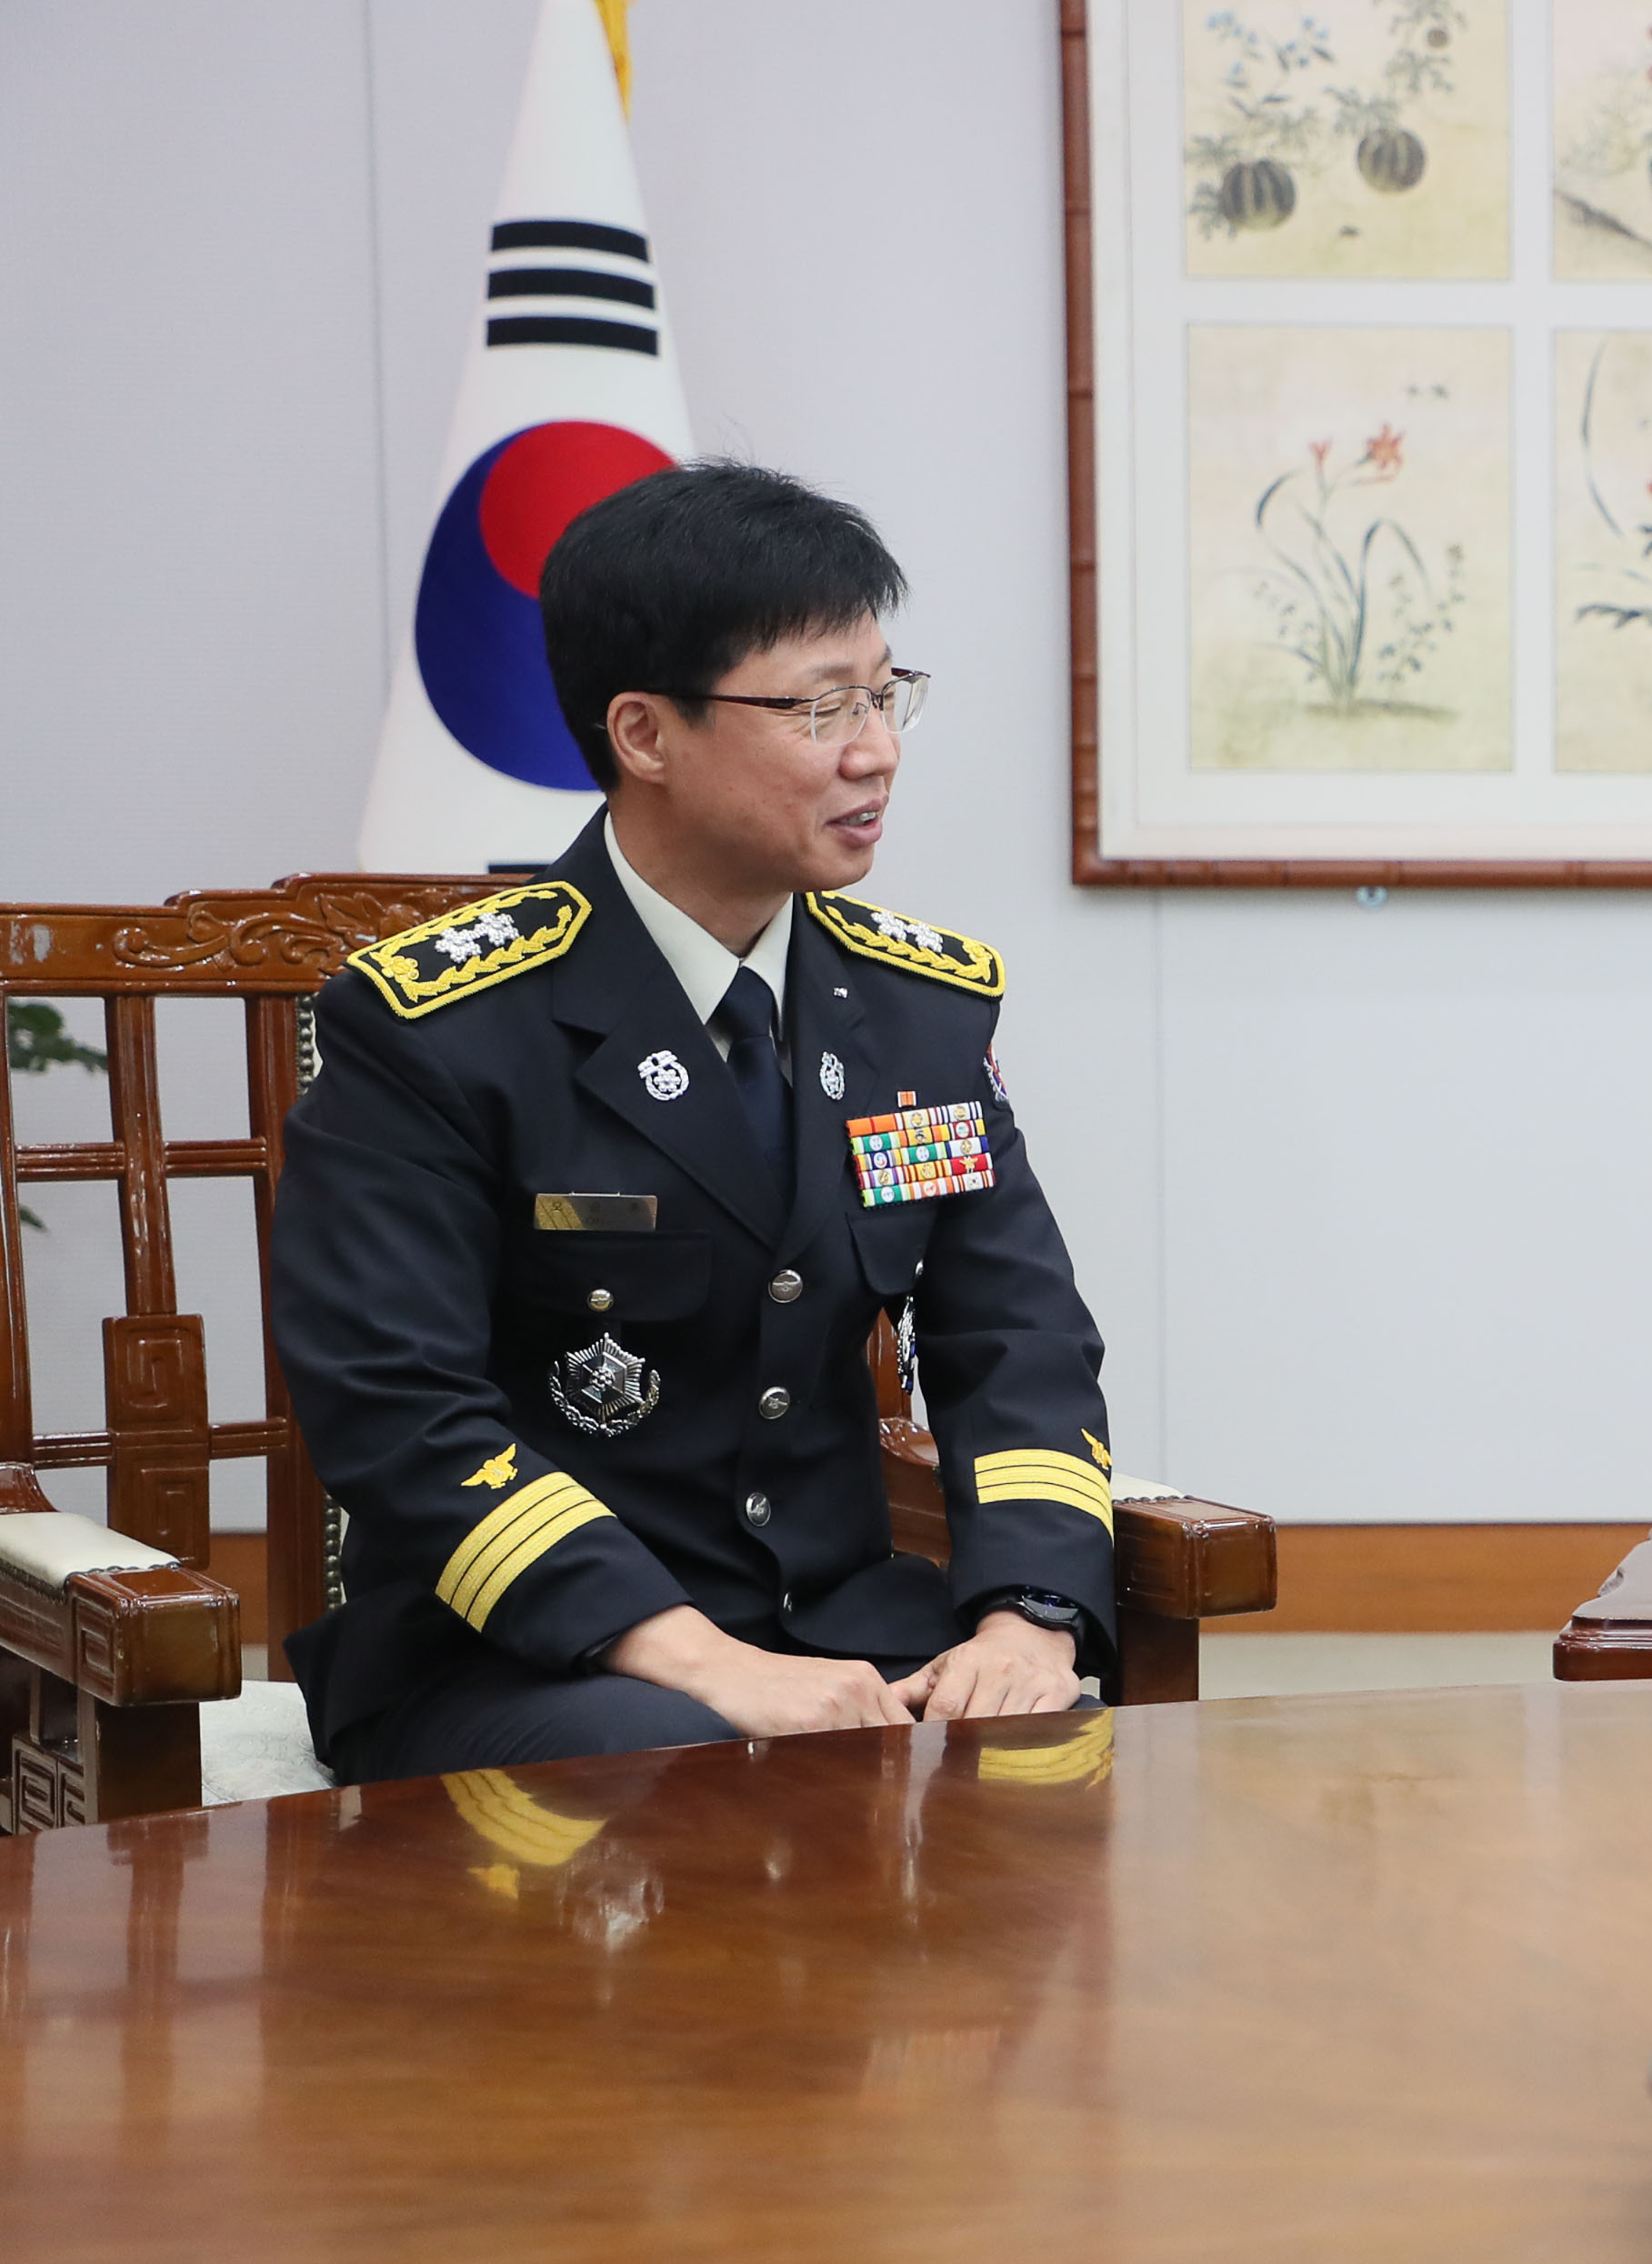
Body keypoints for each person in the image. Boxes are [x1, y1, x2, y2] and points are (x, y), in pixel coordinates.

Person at [273, 462, 1118, 1785]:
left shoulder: (916, 1013)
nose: (875, 750)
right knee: (694, 1780)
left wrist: (1031, 1614)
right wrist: (701, 1662)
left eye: (884, 693)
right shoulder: (437, 1029)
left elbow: (1019, 1342)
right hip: (520, 1656)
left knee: (1061, 1770)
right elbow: (398, 1407)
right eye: (819, 706)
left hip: (839, 1626)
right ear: (646, 735)